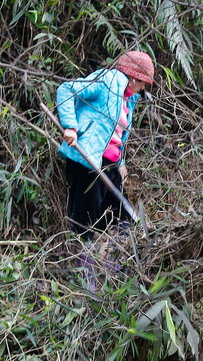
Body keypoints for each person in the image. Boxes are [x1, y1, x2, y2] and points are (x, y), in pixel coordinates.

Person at [55, 50, 154, 238]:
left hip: (108, 165)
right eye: (142, 83)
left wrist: (121, 163)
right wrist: (70, 127)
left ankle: (115, 263)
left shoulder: (129, 99)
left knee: (124, 216)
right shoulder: (106, 80)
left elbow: (117, 134)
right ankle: (83, 264)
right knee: (86, 221)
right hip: (86, 159)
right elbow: (66, 89)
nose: (142, 89)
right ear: (133, 77)